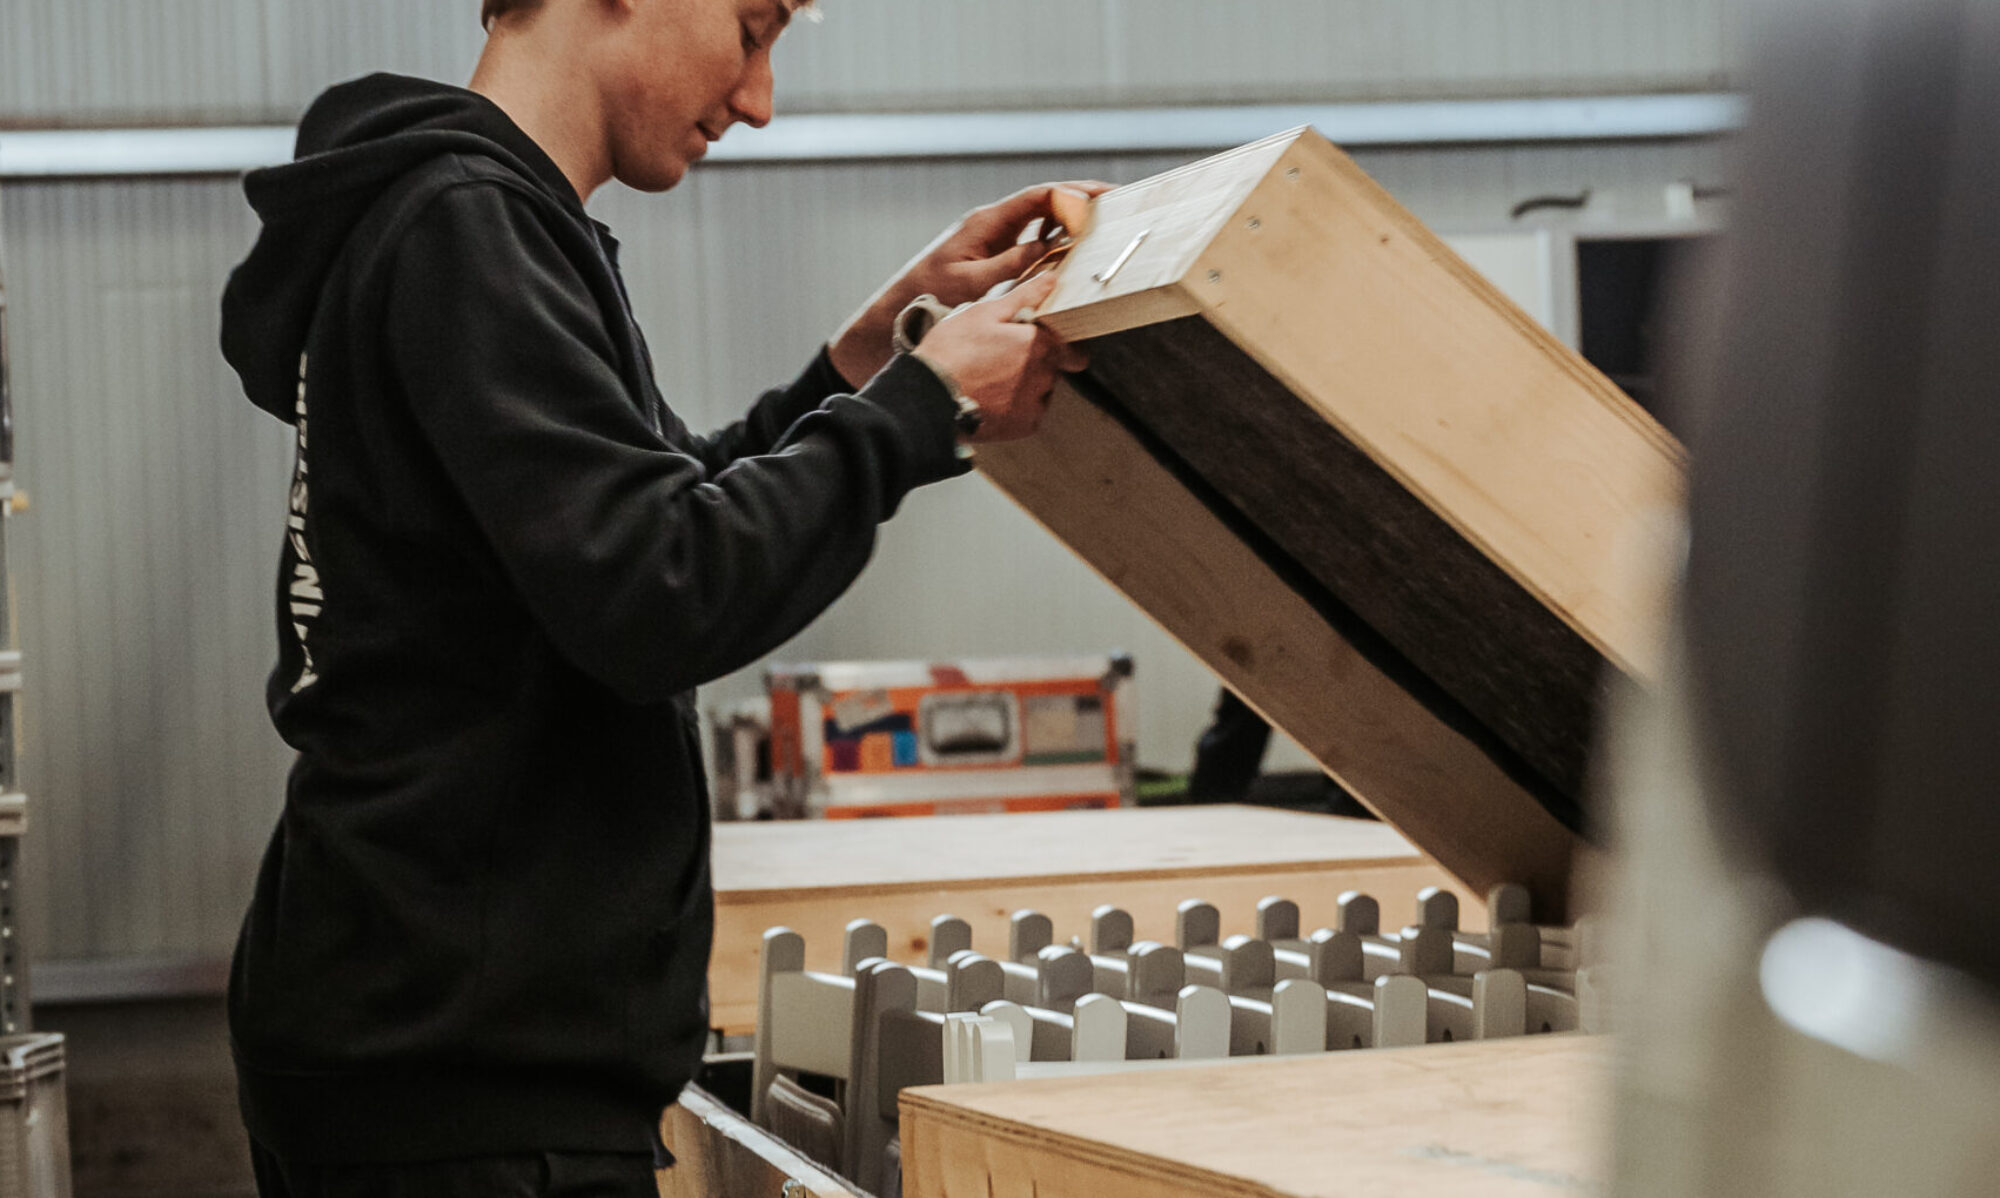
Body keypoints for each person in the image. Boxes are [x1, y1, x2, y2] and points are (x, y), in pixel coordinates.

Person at [218, 0, 1098, 1192]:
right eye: (750, 28)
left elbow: (657, 515)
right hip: (463, 1078)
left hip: (431, 1041)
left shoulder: (475, 221)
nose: (757, 99)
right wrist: (918, 408)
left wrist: (869, 362)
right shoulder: (463, 225)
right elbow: (662, 593)